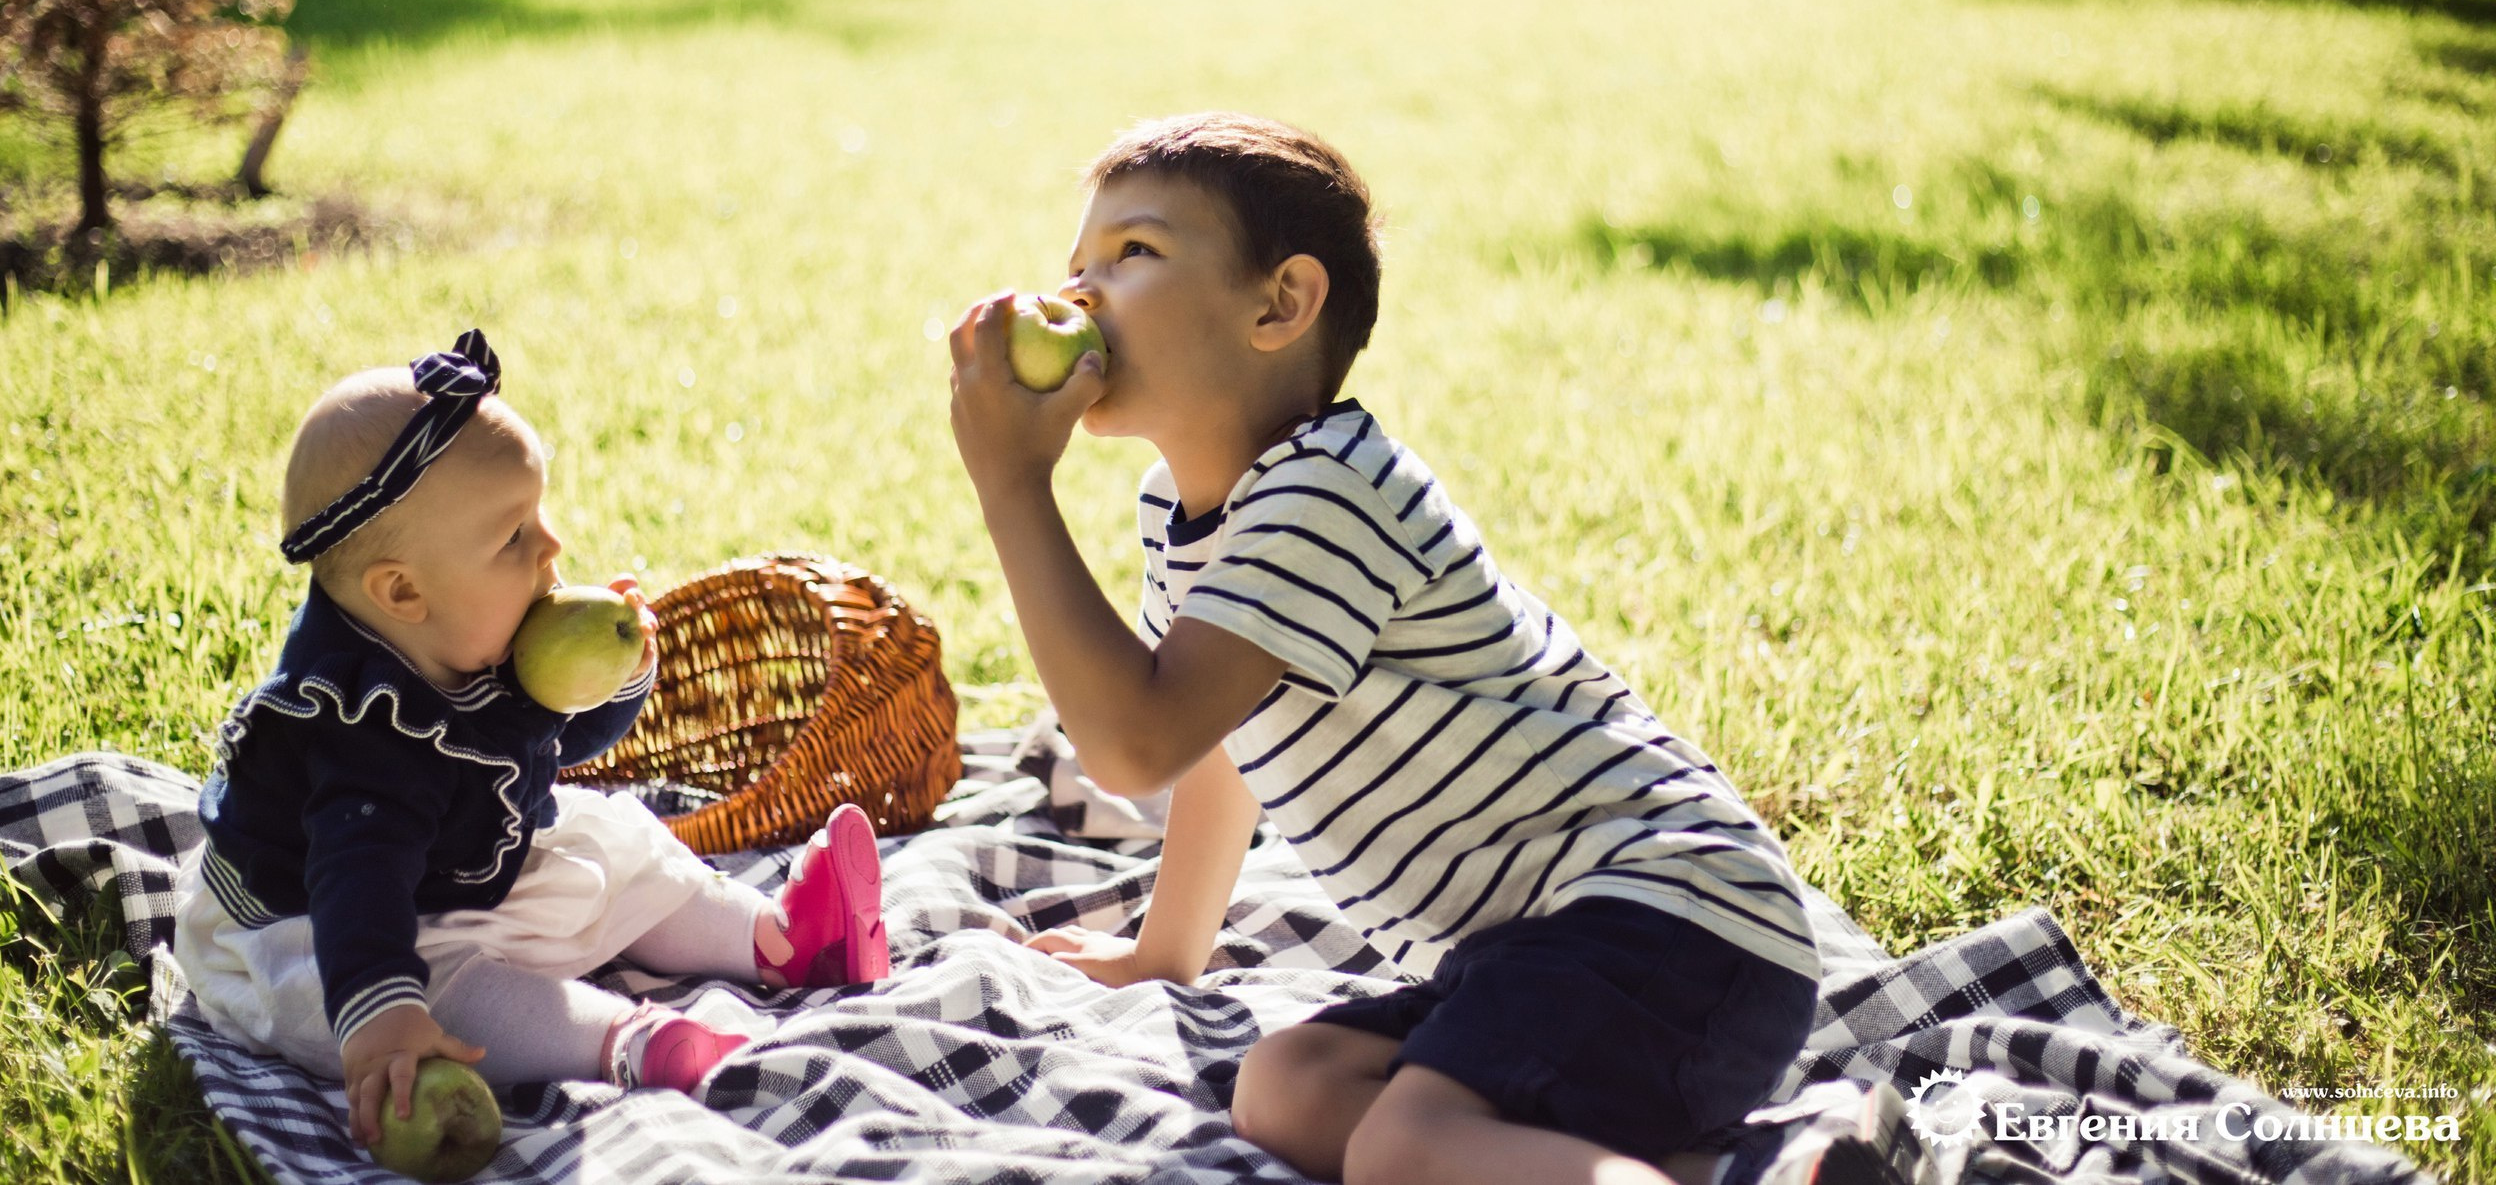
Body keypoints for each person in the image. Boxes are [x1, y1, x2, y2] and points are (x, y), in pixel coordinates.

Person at [947, 114, 1909, 1185]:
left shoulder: (1326, 495)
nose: (1079, 294)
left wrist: (1011, 482)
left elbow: (1136, 745)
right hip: (1539, 951)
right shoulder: (1186, 500)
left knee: (1404, 1151)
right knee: (1288, 1089)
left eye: (1132, 254)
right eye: (1074, 265)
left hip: (1668, 924)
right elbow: (1222, 733)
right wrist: (1164, 952)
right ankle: (1765, 1169)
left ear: (1280, 304)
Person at [175, 331, 887, 1152]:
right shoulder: (362, 734)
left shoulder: (468, 624)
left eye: (539, 517)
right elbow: (356, 878)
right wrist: (382, 1016)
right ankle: (621, 1042)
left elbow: (560, 738)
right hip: (314, 928)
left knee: (616, 837)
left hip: (453, 869)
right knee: (443, 991)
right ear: (402, 590)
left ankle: (783, 937)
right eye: (514, 536)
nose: (550, 546)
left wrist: (621, 672)